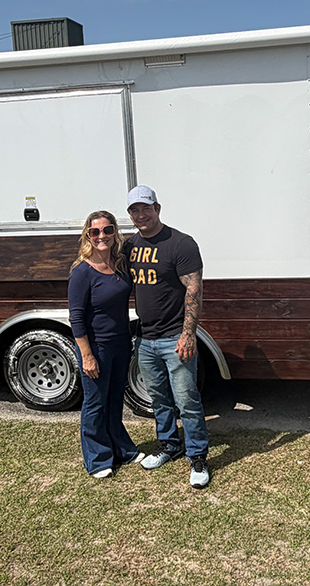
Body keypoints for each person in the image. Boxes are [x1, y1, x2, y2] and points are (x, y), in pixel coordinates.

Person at [125, 185, 210, 489]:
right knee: (159, 399)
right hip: (146, 339)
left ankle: (197, 456)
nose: (141, 214)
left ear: (158, 208)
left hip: (176, 338)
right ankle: (169, 446)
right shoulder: (130, 246)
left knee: (187, 400)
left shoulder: (181, 244)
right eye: (134, 210)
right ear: (130, 214)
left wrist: (189, 334)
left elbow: (194, 288)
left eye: (146, 208)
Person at [69, 210, 144, 478]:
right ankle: (98, 459)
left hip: (121, 344)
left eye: (108, 229)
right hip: (96, 347)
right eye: (95, 231)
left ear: (115, 233)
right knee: (95, 402)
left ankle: (122, 449)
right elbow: (76, 316)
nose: (102, 236)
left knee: (114, 400)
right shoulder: (82, 271)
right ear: (88, 236)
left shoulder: (120, 265)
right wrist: (87, 355)